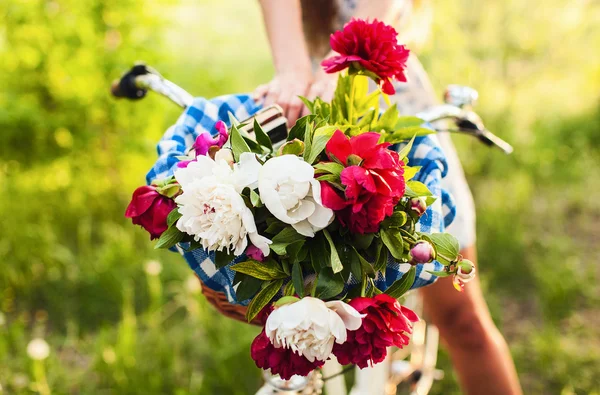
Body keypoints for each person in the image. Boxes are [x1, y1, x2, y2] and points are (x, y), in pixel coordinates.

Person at [253, 1, 523, 394]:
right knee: (320, 313)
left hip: (388, 93)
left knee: (461, 317)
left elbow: (379, 16)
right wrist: (293, 71)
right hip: (312, 102)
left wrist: (349, 64)